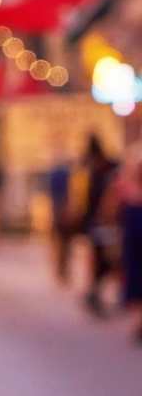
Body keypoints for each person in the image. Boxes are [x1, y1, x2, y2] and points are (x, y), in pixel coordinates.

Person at [79, 136, 118, 318]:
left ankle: (97, 292)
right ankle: (95, 292)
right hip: (99, 223)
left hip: (104, 223)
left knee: (106, 259)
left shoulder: (106, 171)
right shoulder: (100, 170)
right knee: (100, 259)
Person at [110, 146, 142, 344]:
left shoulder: (125, 188)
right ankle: (138, 322)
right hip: (131, 244)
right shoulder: (124, 188)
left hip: (131, 243)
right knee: (134, 278)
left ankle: (138, 322)